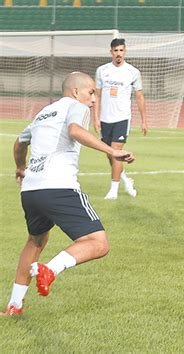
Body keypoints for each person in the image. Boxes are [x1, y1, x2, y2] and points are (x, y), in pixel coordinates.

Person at [1, 72, 135, 317]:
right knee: (98, 243)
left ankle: (14, 305)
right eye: (91, 92)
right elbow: (74, 130)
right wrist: (111, 151)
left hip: (31, 190)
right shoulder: (77, 106)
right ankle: (49, 270)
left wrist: (20, 168)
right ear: (76, 92)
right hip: (58, 187)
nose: (94, 100)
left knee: (36, 241)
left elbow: (20, 143)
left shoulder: (43, 113)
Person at [94, 38, 147, 200]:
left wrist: (144, 120)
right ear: (111, 52)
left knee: (116, 152)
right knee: (110, 154)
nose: (118, 54)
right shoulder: (102, 71)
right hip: (105, 119)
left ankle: (113, 191)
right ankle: (126, 179)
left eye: (121, 50)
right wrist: (95, 118)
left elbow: (139, 97)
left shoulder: (132, 72)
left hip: (122, 118)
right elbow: (96, 95)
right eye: (115, 50)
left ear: (125, 52)